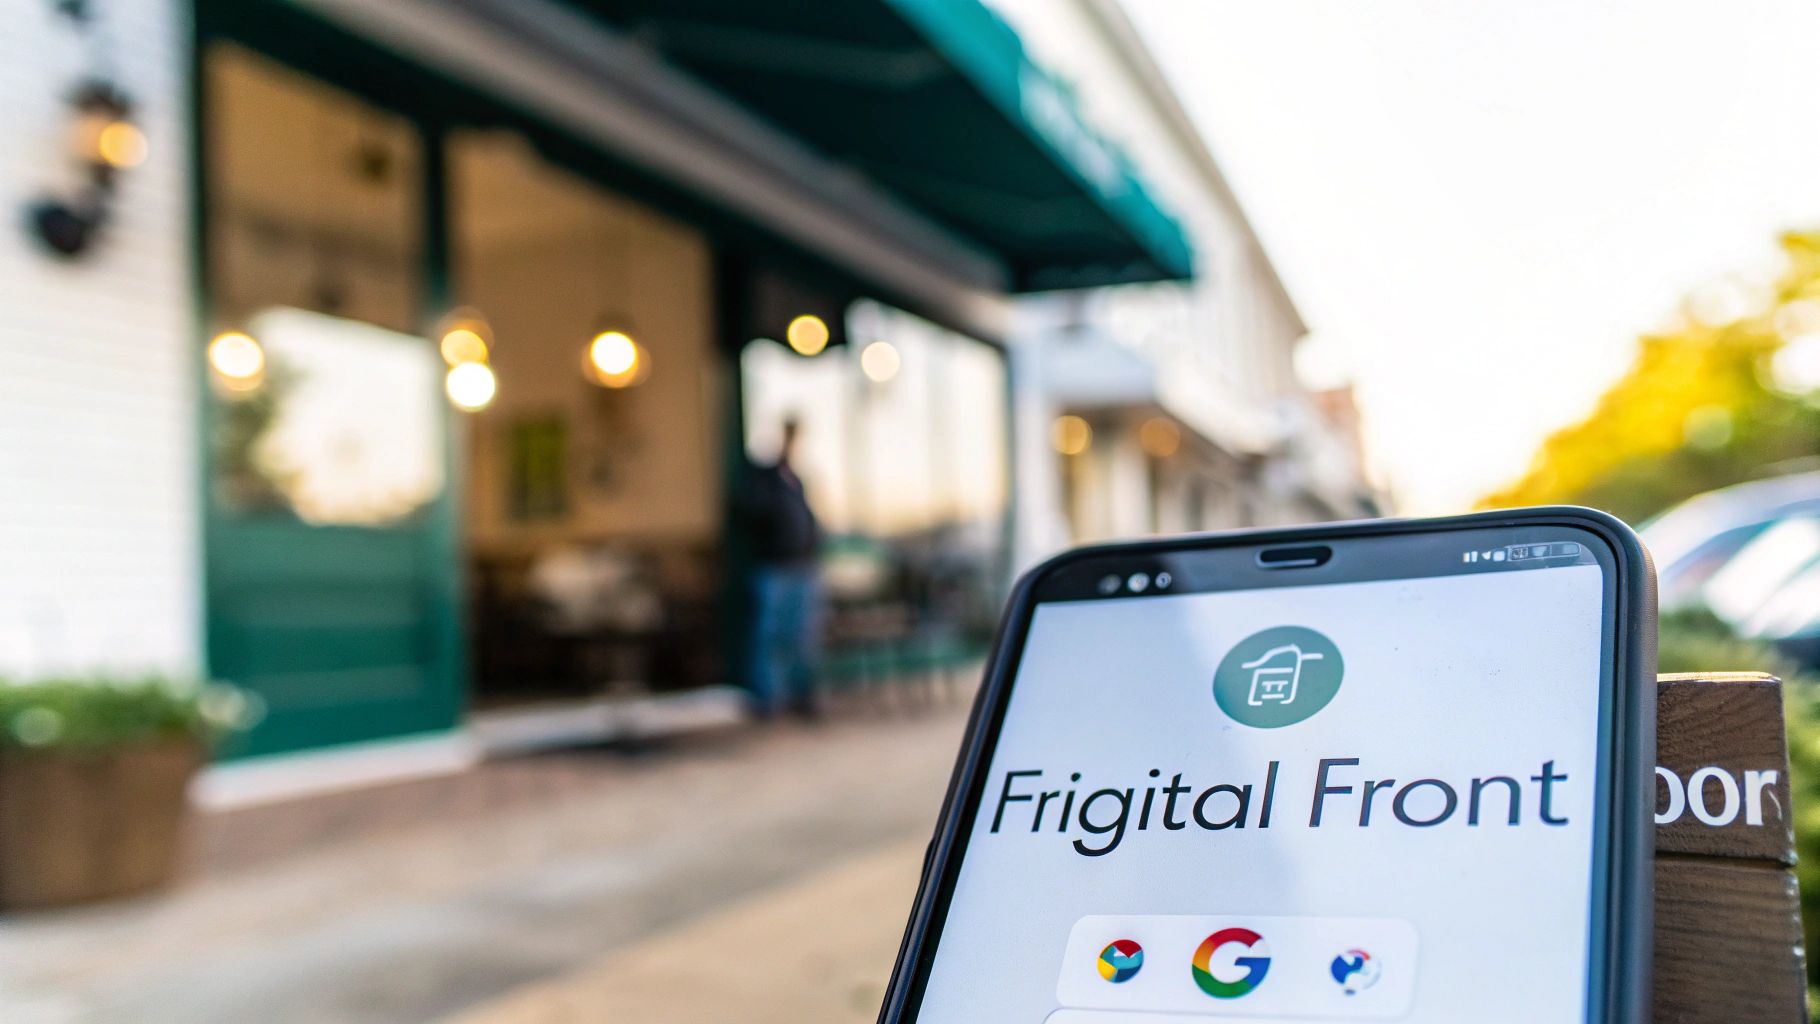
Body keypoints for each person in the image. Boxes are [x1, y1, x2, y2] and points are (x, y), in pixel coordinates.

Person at [737, 417, 824, 718]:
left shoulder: (794, 480)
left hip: (802, 567)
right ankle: (768, 700)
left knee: (802, 637)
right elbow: (753, 513)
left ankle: (800, 697)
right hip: (774, 568)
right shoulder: (762, 480)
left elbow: (807, 519)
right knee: (771, 636)